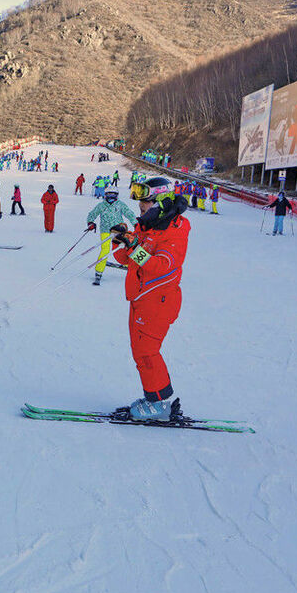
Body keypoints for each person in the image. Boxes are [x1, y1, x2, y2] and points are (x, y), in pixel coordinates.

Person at [111, 177, 190, 421]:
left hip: (158, 301)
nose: (140, 205)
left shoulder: (175, 229)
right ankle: (153, 396)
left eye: (145, 200)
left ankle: (160, 404)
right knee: (140, 352)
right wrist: (121, 240)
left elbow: (162, 265)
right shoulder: (149, 225)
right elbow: (124, 259)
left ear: (161, 200)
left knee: (147, 352)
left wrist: (135, 248)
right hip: (140, 299)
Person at [86, 189, 137, 285]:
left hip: (118, 231)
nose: (111, 197)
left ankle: (128, 264)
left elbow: (129, 213)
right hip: (105, 230)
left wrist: (135, 223)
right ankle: (99, 272)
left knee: (125, 248)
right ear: (105, 195)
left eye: (113, 195)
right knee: (105, 250)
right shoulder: (101, 205)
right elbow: (92, 214)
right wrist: (90, 222)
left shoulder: (120, 204)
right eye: (109, 195)